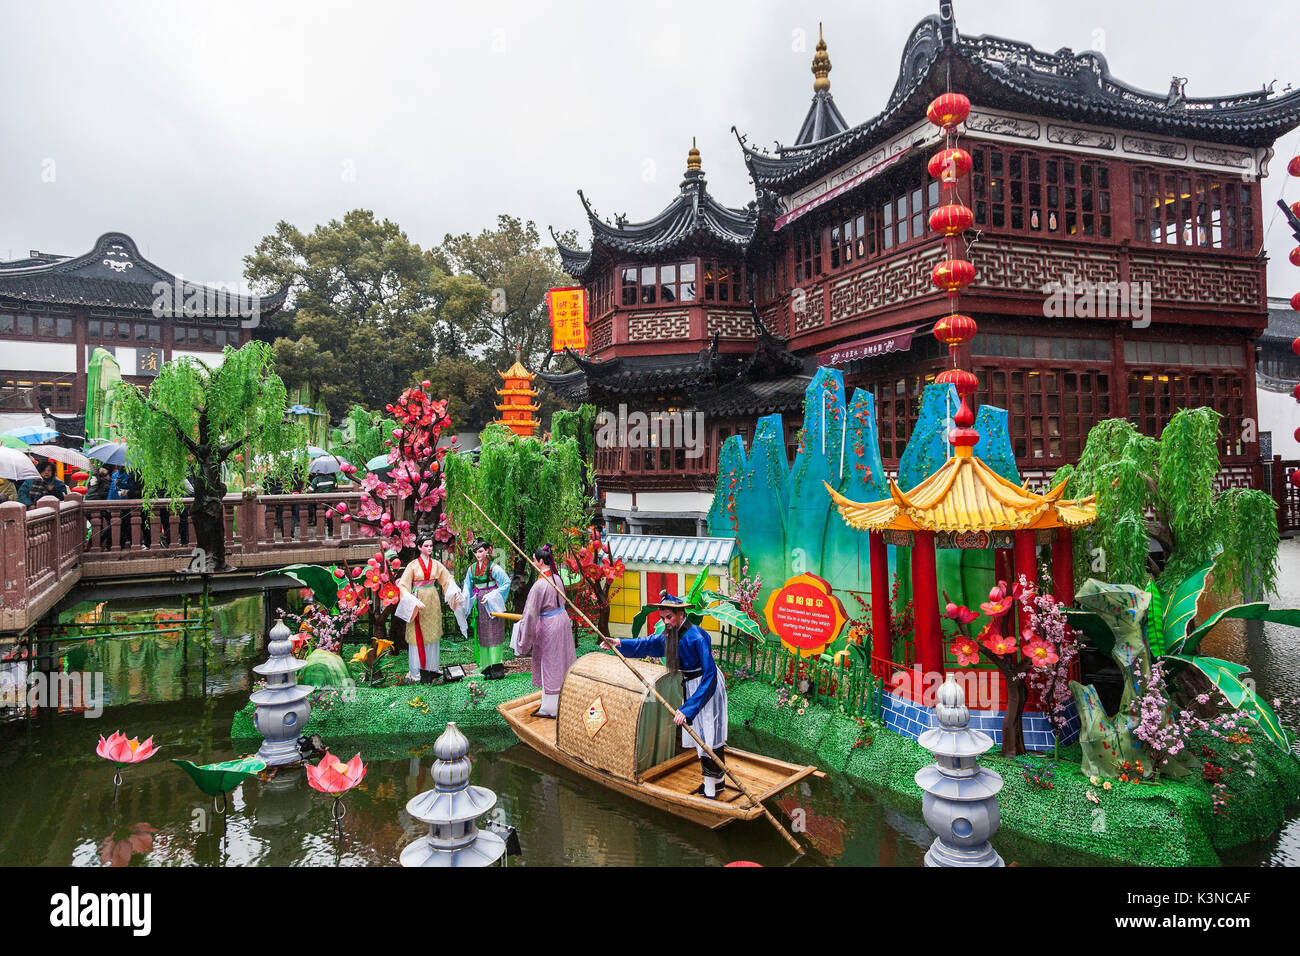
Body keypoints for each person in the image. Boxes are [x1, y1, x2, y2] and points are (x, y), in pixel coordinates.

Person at [601, 592, 730, 799]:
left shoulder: (697, 636)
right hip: (691, 685)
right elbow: (648, 644)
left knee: (708, 735)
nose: (665, 622)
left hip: (707, 687)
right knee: (702, 735)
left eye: (669, 617)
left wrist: (688, 709)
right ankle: (718, 782)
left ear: (681, 613)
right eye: (662, 618)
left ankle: (711, 789)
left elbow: (710, 674)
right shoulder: (670, 635)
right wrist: (618, 642)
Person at [512, 544, 577, 717]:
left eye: (534, 560)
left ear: (540, 561)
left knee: (550, 662)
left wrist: (522, 639)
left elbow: (530, 615)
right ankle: (565, 700)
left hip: (549, 625)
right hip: (562, 621)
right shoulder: (557, 578)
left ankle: (550, 707)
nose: (533, 563)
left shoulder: (540, 585)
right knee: (562, 659)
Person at [396, 533, 462, 683]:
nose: (429, 548)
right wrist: (412, 600)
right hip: (417, 601)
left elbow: (447, 579)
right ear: (419, 547)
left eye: (431, 545)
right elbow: (403, 586)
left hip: (432, 599)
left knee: (432, 633)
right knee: (417, 634)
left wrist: (454, 591)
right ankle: (417, 672)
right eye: (426, 546)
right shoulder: (412, 566)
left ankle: (432, 669)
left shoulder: (437, 564)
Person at [458, 537, 512, 680]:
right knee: (483, 635)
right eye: (476, 552)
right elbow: (467, 587)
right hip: (480, 604)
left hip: (492, 603)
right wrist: (463, 598)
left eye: (481, 551)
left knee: (494, 634)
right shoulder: (472, 569)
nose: (478, 555)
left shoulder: (494, 568)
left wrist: (493, 595)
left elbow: (506, 583)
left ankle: (497, 667)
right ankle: (486, 667)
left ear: (488, 551)